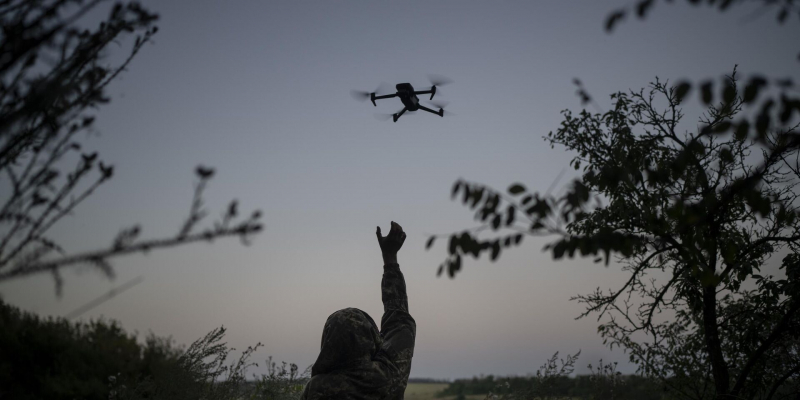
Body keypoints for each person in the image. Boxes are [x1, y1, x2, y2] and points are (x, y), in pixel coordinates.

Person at [301, 221, 416, 400]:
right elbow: (399, 321)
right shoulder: (387, 378)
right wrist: (390, 258)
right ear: (371, 339)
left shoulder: (316, 389)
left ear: (329, 342)